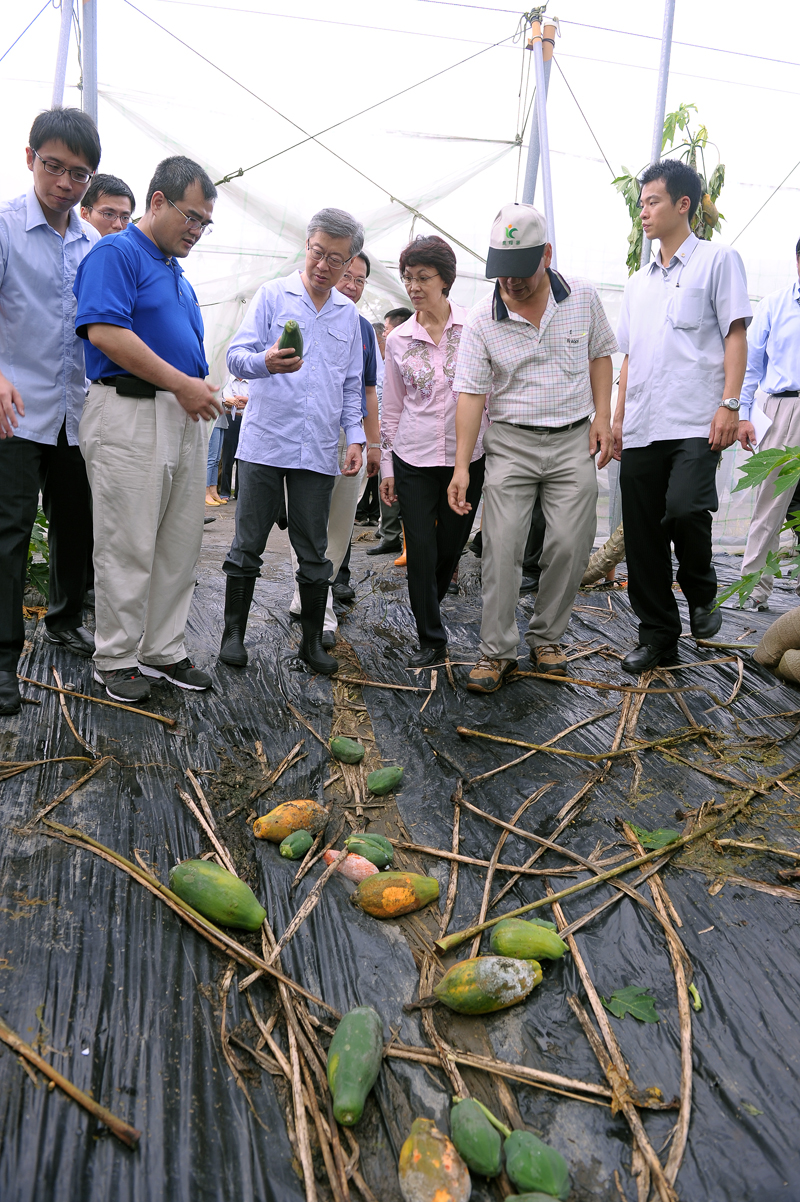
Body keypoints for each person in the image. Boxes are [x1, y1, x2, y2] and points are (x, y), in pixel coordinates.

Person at [448, 202, 616, 692]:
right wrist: (462, 465)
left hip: (571, 441)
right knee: (501, 547)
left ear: (546, 255)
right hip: (512, 444)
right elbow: (471, 395)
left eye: (521, 272)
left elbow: (601, 354)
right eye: (502, 273)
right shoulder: (483, 319)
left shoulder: (582, 297)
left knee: (569, 544)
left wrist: (602, 416)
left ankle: (547, 638)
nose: (512, 284)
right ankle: (496, 651)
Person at [74, 155, 221, 702]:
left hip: (180, 416)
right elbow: (105, 332)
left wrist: (194, 388)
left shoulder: (174, 272)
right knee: (128, 540)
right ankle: (115, 657)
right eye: (192, 216)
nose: (197, 230)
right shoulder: (117, 253)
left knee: (178, 544)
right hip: (130, 412)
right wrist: (182, 383)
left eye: (205, 223)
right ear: (157, 202)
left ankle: (162, 649)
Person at [612, 159, 751, 673]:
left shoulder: (718, 260)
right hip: (644, 421)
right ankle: (657, 635)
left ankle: (700, 590)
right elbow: (630, 356)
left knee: (685, 508)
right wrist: (618, 419)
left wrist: (730, 404)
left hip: (697, 418)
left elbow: (735, 333)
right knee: (644, 535)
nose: (644, 212)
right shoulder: (636, 283)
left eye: (653, 202)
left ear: (683, 205)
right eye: (642, 202)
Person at [219, 207, 365, 676]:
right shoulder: (272, 295)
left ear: (349, 263)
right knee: (247, 544)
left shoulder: (349, 315)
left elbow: (350, 385)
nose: (323, 265)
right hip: (265, 441)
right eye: (318, 253)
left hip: (318, 449)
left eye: (335, 259)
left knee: (314, 551)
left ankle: (311, 643)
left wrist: (356, 439)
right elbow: (236, 357)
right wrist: (266, 361)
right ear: (307, 247)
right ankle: (233, 635)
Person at [0, 107, 102, 716]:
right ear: (31, 158)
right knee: (8, 536)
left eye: (79, 174)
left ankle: (64, 621)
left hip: (76, 411)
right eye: (54, 167)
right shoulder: (7, 227)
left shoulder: (93, 243)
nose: (65, 183)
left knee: (76, 525)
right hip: (15, 411)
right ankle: (3, 658)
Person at [380, 235, 487, 667]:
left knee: (450, 545)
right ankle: (431, 638)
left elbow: (488, 394)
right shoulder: (398, 340)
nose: (414, 286)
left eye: (423, 277)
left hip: (468, 457)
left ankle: (429, 604)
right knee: (421, 547)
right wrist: (387, 464)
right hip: (414, 457)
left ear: (446, 280)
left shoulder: (475, 327)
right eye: (409, 278)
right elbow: (392, 406)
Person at [286, 250, 380, 645]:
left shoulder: (363, 329)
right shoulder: (298, 314)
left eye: (360, 279)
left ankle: (309, 596)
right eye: (348, 276)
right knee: (306, 520)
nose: (352, 285)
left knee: (340, 521)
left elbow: (368, 389)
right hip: (306, 432)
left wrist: (372, 442)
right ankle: (317, 608)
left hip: (348, 436)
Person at [733, 238, 800, 611]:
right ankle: (753, 591)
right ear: (797, 261)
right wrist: (743, 415)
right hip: (784, 409)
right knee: (771, 503)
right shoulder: (776, 304)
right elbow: (751, 365)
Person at [367, 307, 415, 557]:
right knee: (385, 481)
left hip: (407, 433)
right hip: (385, 430)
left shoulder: (412, 354)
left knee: (406, 486)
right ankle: (389, 535)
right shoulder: (382, 359)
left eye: (386, 330)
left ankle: (409, 542)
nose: (384, 335)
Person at [218, 376, 249, 500]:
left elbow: (253, 400)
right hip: (231, 419)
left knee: (242, 457)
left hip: (246, 420)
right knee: (228, 456)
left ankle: (239, 492)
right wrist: (246, 401)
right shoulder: (228, 380)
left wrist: (243, 400)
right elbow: (228, 400)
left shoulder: (250, 381)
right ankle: (225, 491)